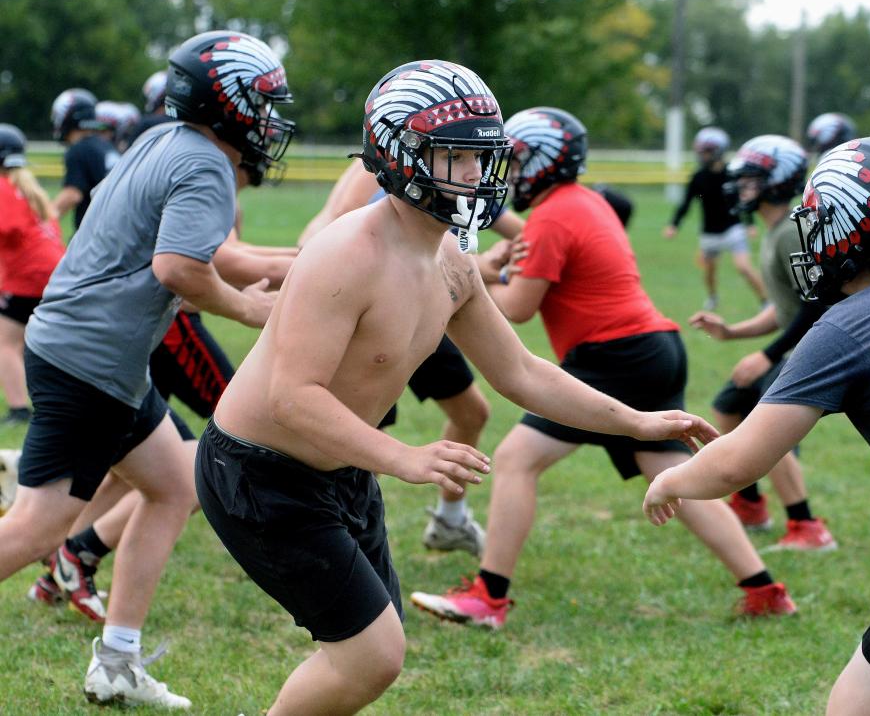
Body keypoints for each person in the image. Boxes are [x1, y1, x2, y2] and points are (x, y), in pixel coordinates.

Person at [196, 61, 717, 716]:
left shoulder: (450, 261)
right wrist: (405, 458)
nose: (476, 175)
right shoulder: (345, 254)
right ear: (399, 153)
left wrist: (636, 422)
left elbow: (521, 372)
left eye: (482, 157)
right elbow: (291, 397)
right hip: (261, 477)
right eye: (456, 156)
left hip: (339, 472)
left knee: (370, 656)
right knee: (369, 655)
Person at [411, 107, 795, 632]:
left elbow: (518, 305)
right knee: (670, 474)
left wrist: (467, 276)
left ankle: (488, 598)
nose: (510, 175)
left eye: (519, 162)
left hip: (616, 354)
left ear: (547, 162)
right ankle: (764, 589)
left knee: (516, 457)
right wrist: (481, 268)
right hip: (649, 347)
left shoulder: (552, 215)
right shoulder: (581, 202)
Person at [0, 30, 294, 708]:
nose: (271, 120)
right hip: (89, 363)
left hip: (95, 357)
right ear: (228, 106)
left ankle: (117, 662)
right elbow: (180, 269)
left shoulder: (166, 143)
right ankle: (116, 657)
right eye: (264, 104)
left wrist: (292, 265)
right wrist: (251, 312)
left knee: (174, 484)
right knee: (38, 527)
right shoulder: (205, 164)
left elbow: (200, 250)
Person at [645, 136, 870, 715]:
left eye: (819, 220)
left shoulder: (848, 324)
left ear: (850, 227)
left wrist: (671, 480)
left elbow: (741, 461)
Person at [296, 153, 527, 558]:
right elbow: (338, 235)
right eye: (457, 153)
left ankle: (449, 521)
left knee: (472, 413)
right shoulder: (381, 172)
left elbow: (505, 223)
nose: (471, 165)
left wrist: (548, 240)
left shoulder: (452, 176)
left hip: (422, 299)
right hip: (367, 308)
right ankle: (345, 535)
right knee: (360, 432)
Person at [688, 135, 836, 551]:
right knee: (728, 406)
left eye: (751, 180)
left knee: (764, 428)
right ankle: (751, 505)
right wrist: (735, 332)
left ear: (779, 181)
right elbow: (786, 305)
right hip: (801, 343)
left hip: (816, 348)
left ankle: (808, 528)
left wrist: (766, 354)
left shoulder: (791, 231)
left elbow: (820, 304)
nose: (741, 189)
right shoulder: (776, 230)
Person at [0, 124, 65, 425]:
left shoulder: (3, 187)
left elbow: (8, 228)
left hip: (28, 277)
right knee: (31, 344)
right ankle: (50, 407)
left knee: (5, 343)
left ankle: (19, 410)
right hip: (54, 276)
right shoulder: (29, 187)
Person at [664, 126, 765, 311]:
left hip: (733, 228)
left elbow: (742, 199)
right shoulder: (698, 177)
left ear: (719, 150)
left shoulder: (732, 174)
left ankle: (766, 302)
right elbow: (685, 204)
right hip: (709, 232)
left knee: (743, 267)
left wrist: (749, 223)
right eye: (701, 151)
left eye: (707, 151)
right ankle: (712, 298)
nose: (703, 155)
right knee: (709, 272)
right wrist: (674, 225)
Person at [49, 88, 120, 231]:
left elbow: (72, 195)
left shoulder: (79, 150)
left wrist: (42, 222)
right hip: (119, 227)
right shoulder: (106, 146)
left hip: (97, 235)